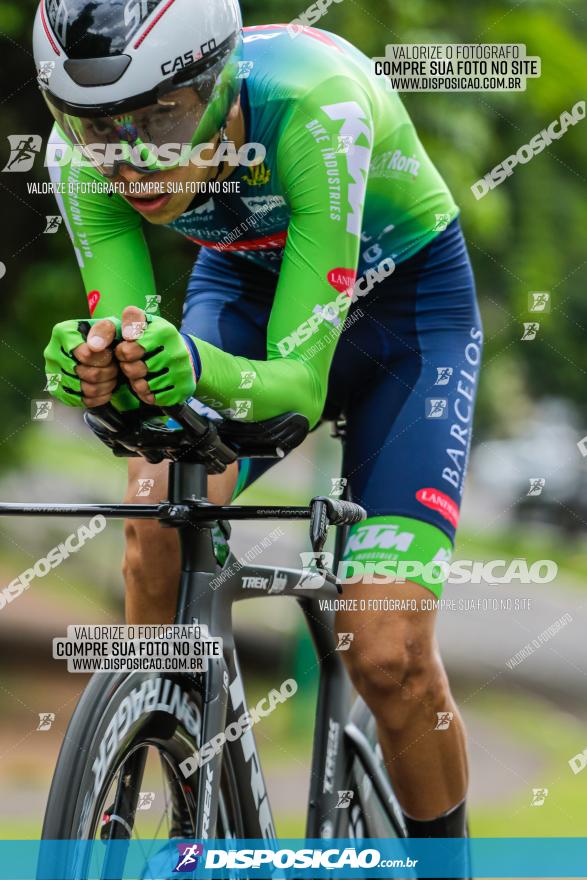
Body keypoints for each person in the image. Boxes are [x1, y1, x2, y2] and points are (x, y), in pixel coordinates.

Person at [35, 0, 482, 844]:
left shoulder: (319, 104)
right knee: (153, 514)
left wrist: (192, 370)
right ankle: (167, 772)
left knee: (387, 656)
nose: (128, 161)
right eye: (96, 128)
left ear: (217, 83)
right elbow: (143, 379)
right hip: (244, 291)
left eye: (159, 120)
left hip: (405, 322)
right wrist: (102, 376)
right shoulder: (80, 157)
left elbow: (293, 392)